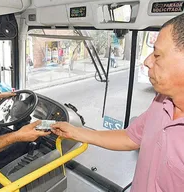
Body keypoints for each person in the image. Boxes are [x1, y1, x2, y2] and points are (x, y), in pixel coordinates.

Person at [52, 13, 184, 192]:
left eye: (158, 54)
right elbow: (131, 137)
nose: (147, 61)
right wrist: (75, 132)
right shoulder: (161, 101)